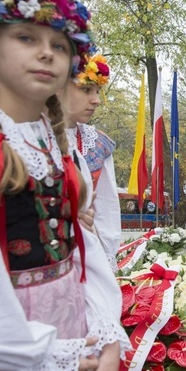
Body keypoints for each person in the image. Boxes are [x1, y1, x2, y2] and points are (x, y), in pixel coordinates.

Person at [0, 0, 130, 371]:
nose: (47, 54)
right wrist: (39, 353)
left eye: (60, 46)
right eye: (26, 38)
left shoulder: (55, 142)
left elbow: (80, 247)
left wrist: (106, 334)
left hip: (71, 325)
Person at [63, 52, 122, 271]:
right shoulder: (29, 137)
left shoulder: (97, 143)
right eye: (86, 90)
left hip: (88, 254)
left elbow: (107, 206)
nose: (96, 100)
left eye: (97, 91)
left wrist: (107, 258)